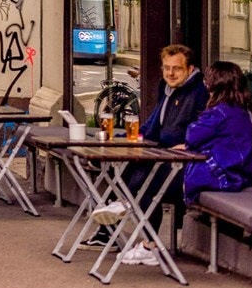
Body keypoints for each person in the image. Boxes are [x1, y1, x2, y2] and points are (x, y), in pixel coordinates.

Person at [86, 43, 209, 249]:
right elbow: (154, 124)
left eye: (177, 68)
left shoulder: (199, 93)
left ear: (189, 69)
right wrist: (127, 138)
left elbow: (204, 129)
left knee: (143, 176)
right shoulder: (167, 88)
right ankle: (110, 226)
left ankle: (147, 243)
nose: (170, 73)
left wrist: (189, 143)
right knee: (124, 165)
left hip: (185, 161)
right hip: (163, 152)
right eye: (166, 67)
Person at [182, 61, 252, 206]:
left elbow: (192, 137)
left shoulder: (219, 112)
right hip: (245, 176)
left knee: (159, 178)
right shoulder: (246, 111)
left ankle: (138, 219)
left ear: (213, 85)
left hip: (223, 177)